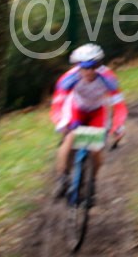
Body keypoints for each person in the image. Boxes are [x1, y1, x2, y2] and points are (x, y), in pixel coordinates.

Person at [50, 43, 128, 199]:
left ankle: (92, 181)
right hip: (76, 110)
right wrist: (60, 122)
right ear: (78, 66)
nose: (89, 71)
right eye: (85, 67)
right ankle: (62, 178)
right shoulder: (68, 79)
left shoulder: (108, 78)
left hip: (97, 111)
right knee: (70, 138)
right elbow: (58, 104)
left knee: (95, 148)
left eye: (94, 67)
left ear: (99, 65)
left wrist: (118, 126)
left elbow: (119, 105)